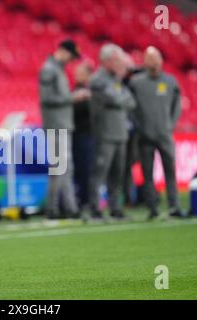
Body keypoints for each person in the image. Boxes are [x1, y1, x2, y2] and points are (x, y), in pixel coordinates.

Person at [129, 46, 183, 219]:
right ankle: (152, 207)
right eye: (149, 58)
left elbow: (177, 105)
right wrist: (138, 126)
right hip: (144, 136)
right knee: (147, 174)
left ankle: (174, 206)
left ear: (161, 60)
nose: (152, 61)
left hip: (165, 135)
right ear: (144, 61)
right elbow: (130, 108)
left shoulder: (170, 82)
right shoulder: (136, 83)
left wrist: (170, 125)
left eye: (155, 58)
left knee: (170, 172)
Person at [39, 39, 89, 219]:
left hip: (62, 124)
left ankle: (71, 208)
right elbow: (47, 98)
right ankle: (51, 208)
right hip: (56, 124)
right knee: (60, 168)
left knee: (66, 168)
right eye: (71, 56)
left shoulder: (56, 69)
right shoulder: (49, 69)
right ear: (63, 51)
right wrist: (72, 97)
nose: (71, 60)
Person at [88, 44, 136, 220]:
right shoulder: (97, 80)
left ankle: (116, 208)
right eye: (117, 59)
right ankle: (95, 208)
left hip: (120, 133)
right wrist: (121, 98)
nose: (120, 63)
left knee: (118, 173)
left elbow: (131, 102)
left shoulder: (116, 80)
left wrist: (120, 97)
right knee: (100, 172)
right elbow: (115, 99)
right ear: (106, 60)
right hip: (105, 133)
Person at [72, 62, 94, 212]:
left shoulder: (90, 92)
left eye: (80, 72)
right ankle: (82, 199)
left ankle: (87, 199)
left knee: (87, 169)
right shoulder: (75, 92)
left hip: (87, 135)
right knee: (80, 169)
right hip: (77, 135)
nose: (77, 75)